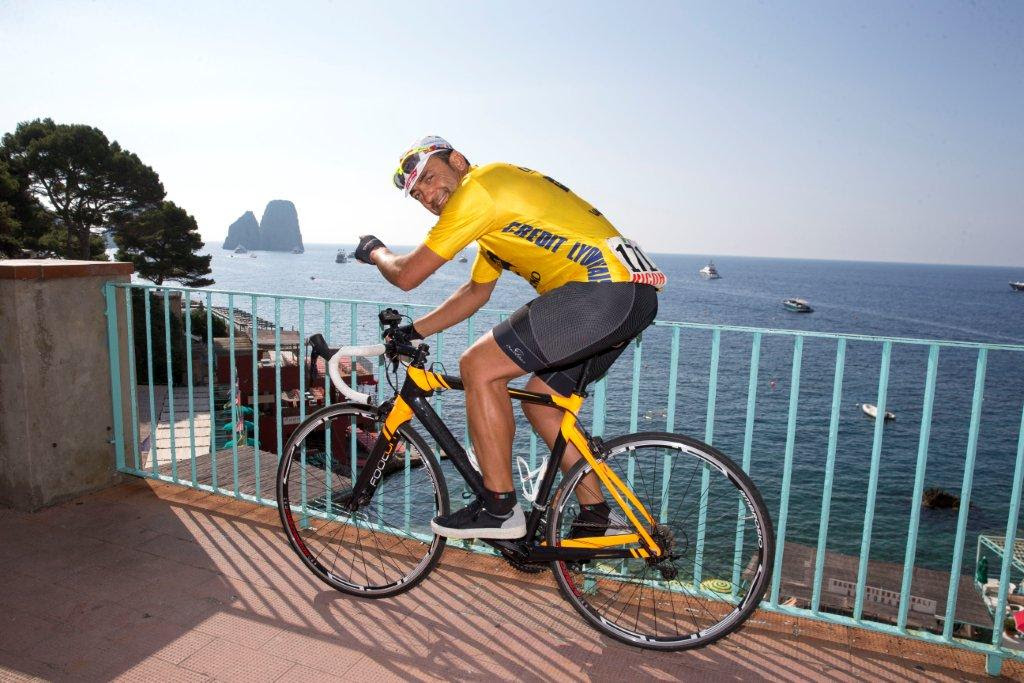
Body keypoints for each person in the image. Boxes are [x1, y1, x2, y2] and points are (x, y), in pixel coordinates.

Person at [354, 135, 666, 540]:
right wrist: (414, 331)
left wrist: (375, 250)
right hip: (633, 298)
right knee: (544, 405)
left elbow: (407, 274)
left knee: (478, 366)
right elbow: (475, 293)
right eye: (418, 194)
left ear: (459, 161)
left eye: (430, 178)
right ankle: (596, 513)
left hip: (601, 293)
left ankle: (500, 509)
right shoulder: (495, 212)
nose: (429, 195)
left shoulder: (479, 189)